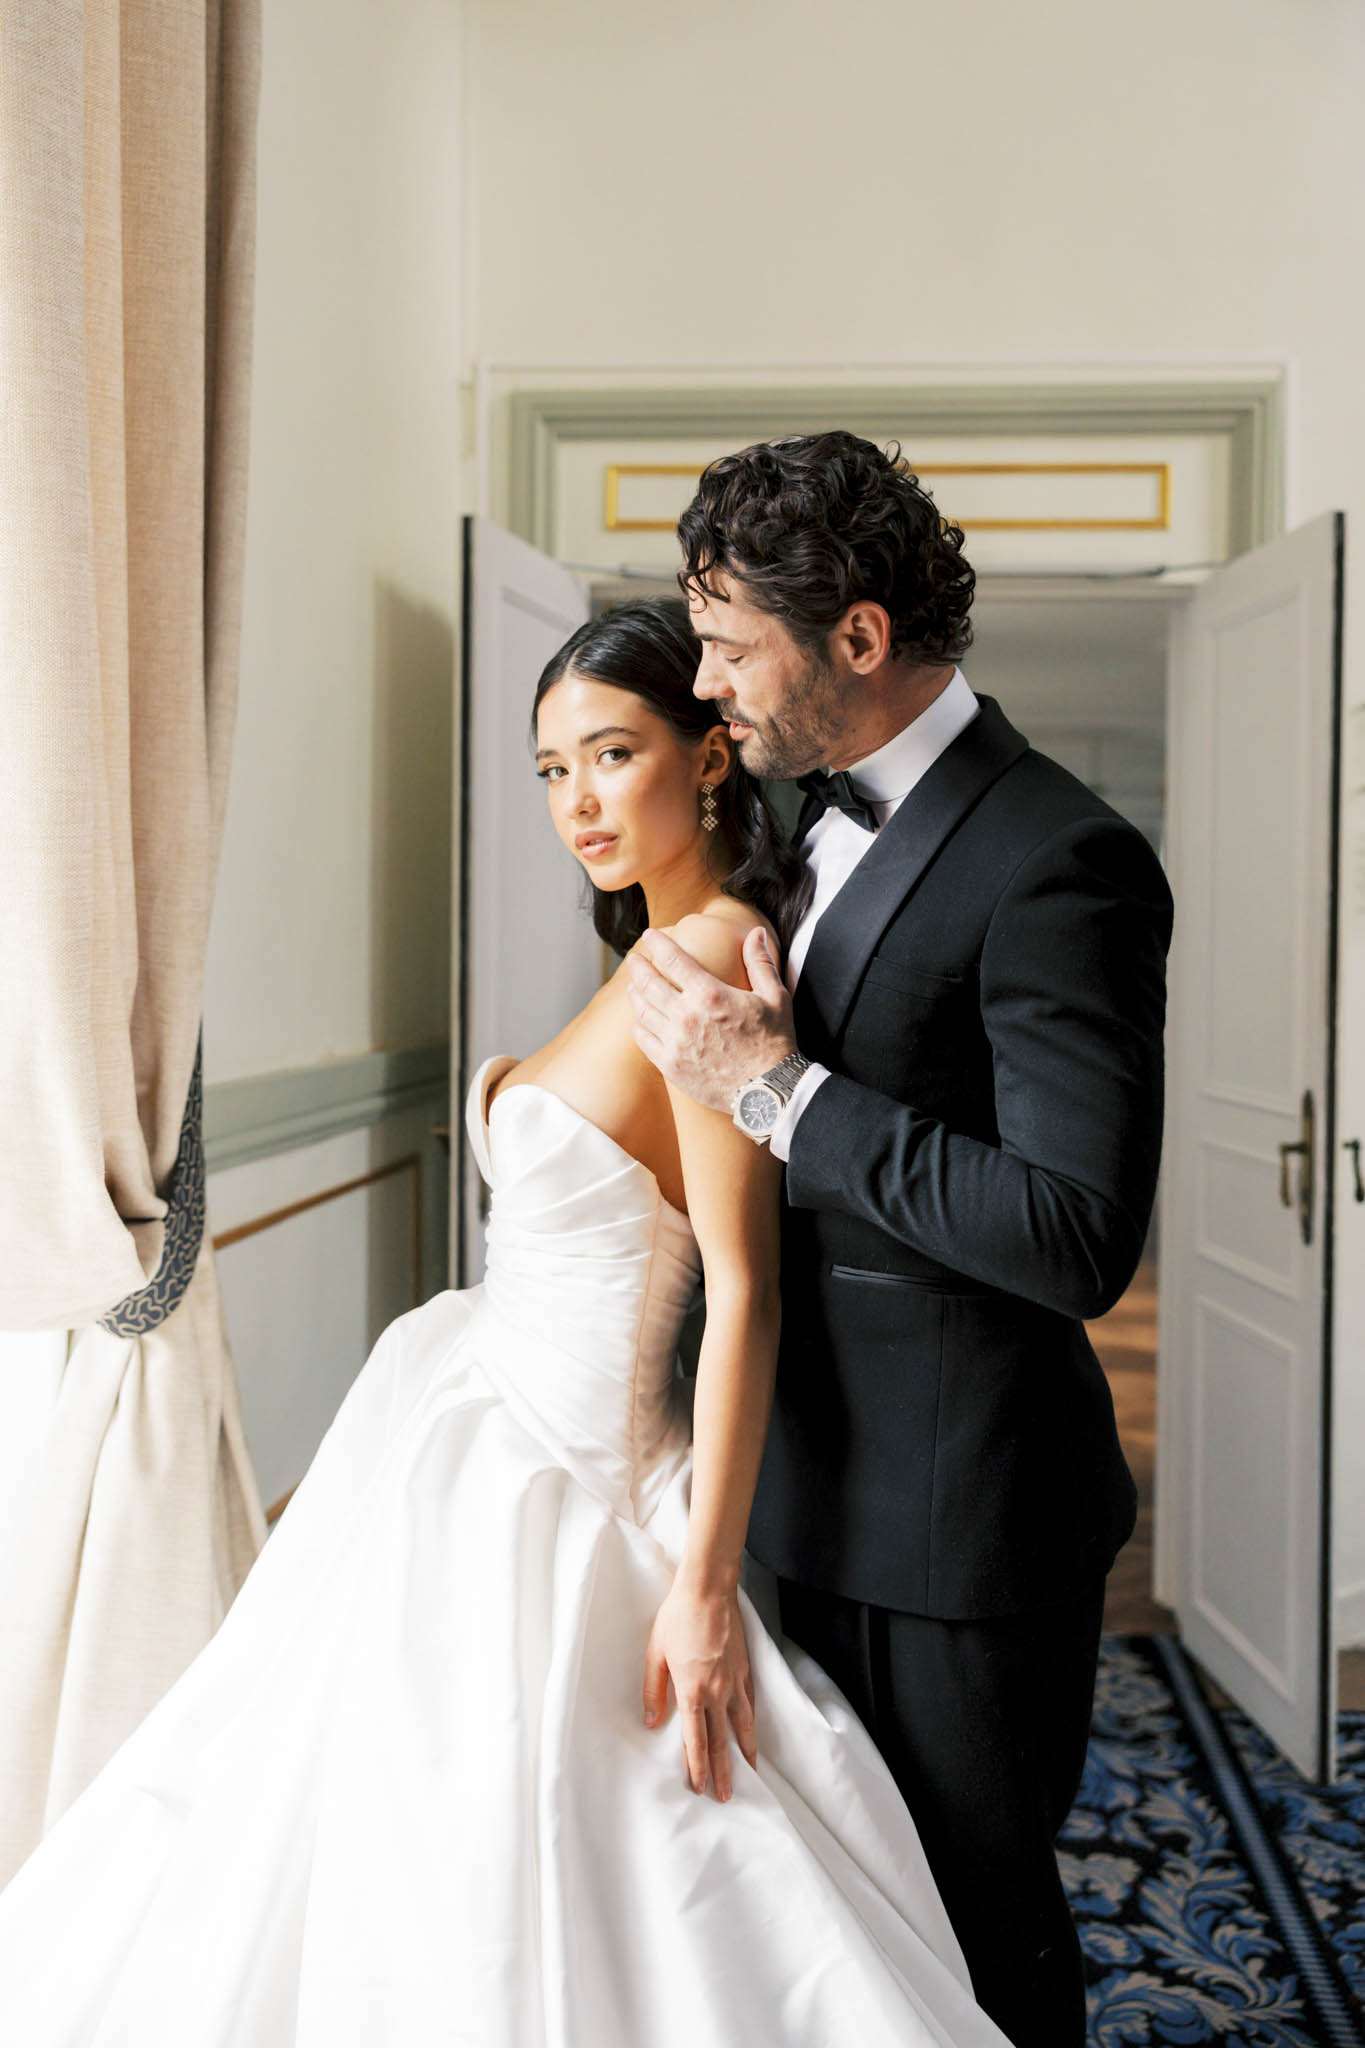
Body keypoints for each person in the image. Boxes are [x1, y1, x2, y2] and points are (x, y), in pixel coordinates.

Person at [0, 594, 1011, 2047]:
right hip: (465, 1437)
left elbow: (742, 1295)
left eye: (610, 755)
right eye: (551, 771)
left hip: (579, 1479)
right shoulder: (653, 950)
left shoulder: (718, 959)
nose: (576, 802)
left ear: (708, 756)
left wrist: (701, 1588)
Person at [626, 431, 1175, 2048]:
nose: (706, 684)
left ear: (856, 639)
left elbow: (1077, 1236)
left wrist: (777, 1090)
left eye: (731, 646)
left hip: (963, 1531)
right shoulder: (797, 826)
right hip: (802, 1483)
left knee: (973, 1931)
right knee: (836, 1923)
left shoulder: (1061, 858)